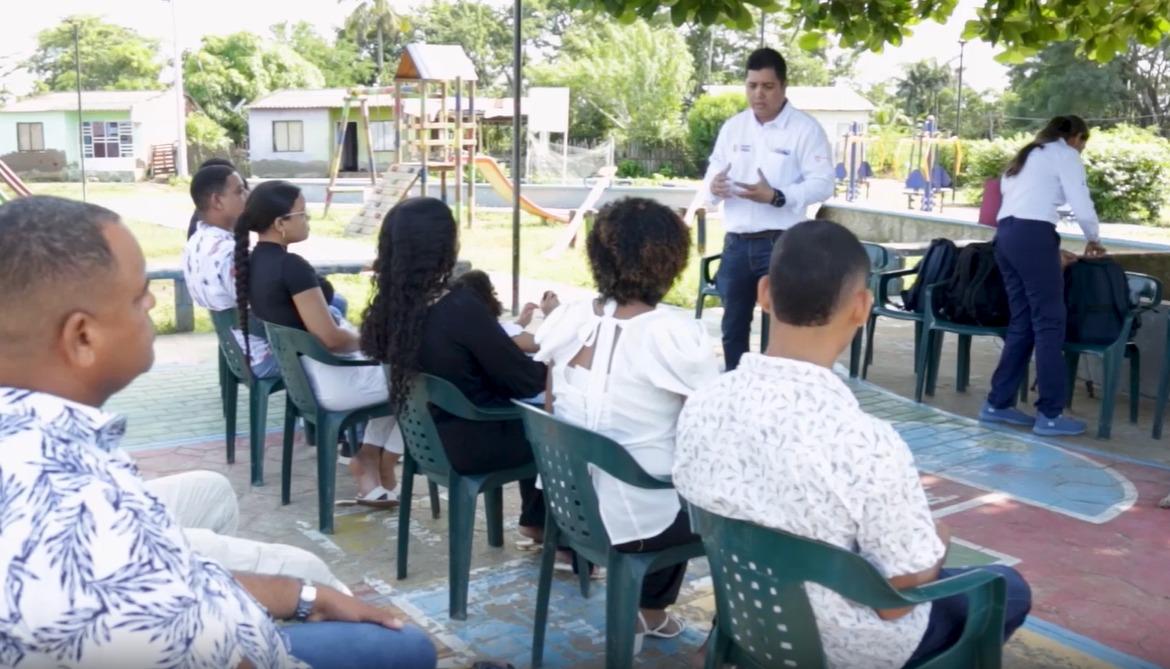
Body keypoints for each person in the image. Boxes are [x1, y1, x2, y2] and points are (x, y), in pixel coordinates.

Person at [0, 195, 437, 668]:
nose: (150, 302)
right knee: (407, 648)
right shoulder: (71, 515)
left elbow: (168, 571)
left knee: (232, 515)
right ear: (82, 337)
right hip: (233, 647)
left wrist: (299, 596)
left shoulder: (52, 438)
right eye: (137, 295)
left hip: (193, 600)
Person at [674, 220, 1031, 669]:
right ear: (862, 307)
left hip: (747, 616)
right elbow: (898, 600)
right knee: (1006, 586)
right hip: (845, 646)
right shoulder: (867, 443)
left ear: (764, 293)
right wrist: (937, 542)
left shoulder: (703, 404)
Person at [535, 198, 719, 649]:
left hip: (569, 508)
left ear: (597, 257)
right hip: (634, 522)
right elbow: (714, 428)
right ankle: (725, 646)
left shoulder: (568, 318)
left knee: (666, 478)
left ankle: (649, 613)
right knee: (733, 508)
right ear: (671, 262)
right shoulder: (672, 334)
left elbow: (550, 402)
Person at [361, 197, 554, 541]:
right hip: (472, 441)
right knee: (561, 429)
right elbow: (523, 381)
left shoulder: (390, 309)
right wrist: (557, 356)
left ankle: (536, 521)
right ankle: (562, 539)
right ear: (443, 246)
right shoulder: (460, 307)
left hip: (425, 441)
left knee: (532, 413)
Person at [235, 180, 403, 505]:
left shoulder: (253, 263)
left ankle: (368, 461)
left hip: (304, 382)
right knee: (419, 379)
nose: (307, 220)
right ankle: (382, 459)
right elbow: (332, 338)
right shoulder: (290, 267)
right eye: (303, 214)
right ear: (280, 223)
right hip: (331, 383)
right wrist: (377, 341)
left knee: (401, 374)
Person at [703, 47, 835, 370]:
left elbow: (823, 184)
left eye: (767, 86)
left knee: (782, 326)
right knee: (732, 326)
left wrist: (776, 196)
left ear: (783, 87)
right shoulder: (733, 127)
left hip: (781, 244)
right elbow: (712, 172)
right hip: (736, 242)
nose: (758, 94)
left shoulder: (805, 129)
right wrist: (714, 187)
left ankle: (777, 395)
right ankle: (735, 388)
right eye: (752, 86)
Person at [980, 115, 1107, 437]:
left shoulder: (1027, 155)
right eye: (1082, 142)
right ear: (1075, 137)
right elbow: (1081, 201)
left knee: (1022, 321)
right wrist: (1093, 237)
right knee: (1050, 322)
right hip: (1033, 235)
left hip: (1007, 236)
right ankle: (1050, 413)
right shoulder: (1064, 154)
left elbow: (1027, 200)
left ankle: (998, 403)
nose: (1081, 149)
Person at [183, 164, 280, 377]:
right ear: (217, 201)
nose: (247, 195)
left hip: (237, 350)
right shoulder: (228, 253)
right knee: (331, 319)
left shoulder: (196, 241)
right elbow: (267, 310)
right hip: (262, 356)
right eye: (239, 191)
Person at [451, 269, 540, 353]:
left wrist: (521, 322)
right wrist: (550, 313)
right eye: (493, 293)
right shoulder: (493, 334)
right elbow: (545, 345)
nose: (496, 298)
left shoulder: (466, 328)